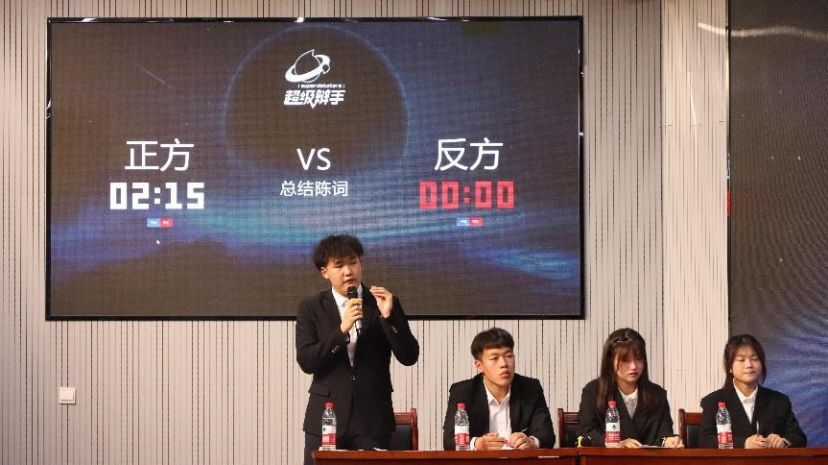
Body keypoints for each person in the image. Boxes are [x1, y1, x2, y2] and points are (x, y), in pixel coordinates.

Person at [296, 235, 419, 465]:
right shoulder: (311, 307)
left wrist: (388, 317)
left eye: (353, 262)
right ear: (324, 272)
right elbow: (307, 361)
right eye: (339, 265)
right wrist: (341, 330)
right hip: (326, 416)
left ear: (361, 264)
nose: (348, 271)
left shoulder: (383, 302)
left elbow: (409, 356)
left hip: (373, 418)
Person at [442, 327, 555, 450]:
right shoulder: (463, 392)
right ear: (479, 366)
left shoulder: (530, 388)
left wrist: (532, 442)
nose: (504, 364)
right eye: (494, 358)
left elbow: (547, 435)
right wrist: (477, 444)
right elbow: (449, 440)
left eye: (509, 356)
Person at [577, 328, 682, 448]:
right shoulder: (593, 391)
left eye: (639, 359)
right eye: (625, 360)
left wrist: (669, 441)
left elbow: (663, 435)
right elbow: (585, 433)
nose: (633, 366)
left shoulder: (657, 394)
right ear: (610, 361)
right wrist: (614, 443)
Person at [698, 334, 807, 448]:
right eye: (741, 360)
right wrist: (744, 443)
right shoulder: (713, 401)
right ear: (729, 367)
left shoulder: (779, 401)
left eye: (754, 359)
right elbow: (705, 441)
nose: (749, 365)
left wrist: (783, 442)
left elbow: (798, 437)